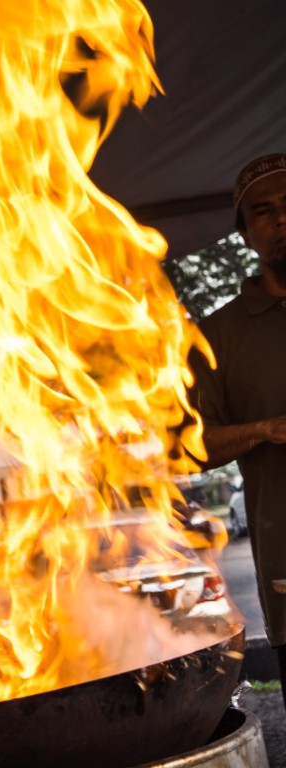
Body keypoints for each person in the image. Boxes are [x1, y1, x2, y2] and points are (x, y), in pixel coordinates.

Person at [189, 153, 286, 707]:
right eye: (264, 213)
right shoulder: (219, 335)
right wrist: (268, 428)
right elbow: (192, 448)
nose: (281, 221)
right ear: (246, 235)